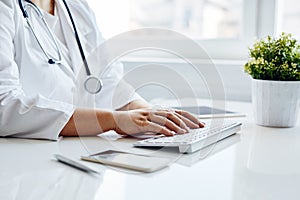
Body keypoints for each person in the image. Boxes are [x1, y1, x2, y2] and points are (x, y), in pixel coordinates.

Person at [0, 0, 204, 140]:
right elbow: (5, 105)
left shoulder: (74, 6)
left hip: (79, 159)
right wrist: (113, 121)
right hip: (26, 165)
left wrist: (147, 112)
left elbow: (106, 78)